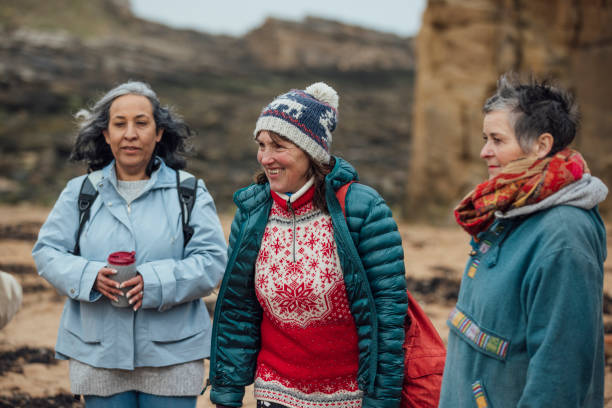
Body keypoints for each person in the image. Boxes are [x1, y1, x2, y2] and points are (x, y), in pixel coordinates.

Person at [208, 82, 408, 408]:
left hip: (349, 399)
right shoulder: (251, 212)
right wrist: (227, 394)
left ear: (312, 150)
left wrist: (381, 400)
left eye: (279, 146)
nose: (266, 158)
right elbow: (239, 311)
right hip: (273, 394)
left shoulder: (362, 209)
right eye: (261, 145)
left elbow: (388, 318)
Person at [32, 81, 227, 408]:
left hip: (172, 357)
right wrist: (90, 276)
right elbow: (47, 253)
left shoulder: (189, 191)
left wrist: (156, 282)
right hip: (98, 356)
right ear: (106, 134)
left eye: (141, 122)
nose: (130, 133)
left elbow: (212, 261)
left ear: (159, 132)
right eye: (119, 124)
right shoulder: (80, 192)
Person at [439, 74, 608, 407]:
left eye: (497, 140)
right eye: (485, 138)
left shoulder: (564, 236)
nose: (484, 151)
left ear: (541, 146)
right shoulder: (512, 208)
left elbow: (559, 374)